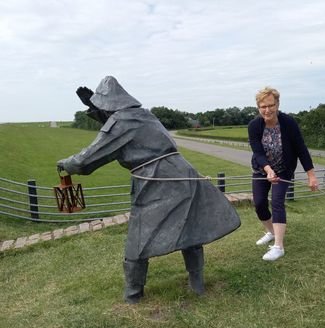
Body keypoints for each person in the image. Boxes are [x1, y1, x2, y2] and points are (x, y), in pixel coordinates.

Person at [57, 76, 241, 303]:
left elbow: (87, 160)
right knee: (191, 230)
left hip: (158, 182)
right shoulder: (145, 115)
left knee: (138, 238)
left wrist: (67, 163)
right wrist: (94, 107)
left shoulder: (122, 122)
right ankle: (197, 284)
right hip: (184, 173)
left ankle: (133, 295)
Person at [248, 87, 319, 261]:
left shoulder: (289, 123)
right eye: (263, 106)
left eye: (271, 105)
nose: (267, 110)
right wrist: (267, 169)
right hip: (261, 169)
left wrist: (311, 175)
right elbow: (257, 152)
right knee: (259, 204)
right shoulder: (254, 126)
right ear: (258, 107)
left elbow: (301, 149)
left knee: (277, 202)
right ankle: (271, 232)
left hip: (283, 170)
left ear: (278, 104)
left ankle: (278, 247)